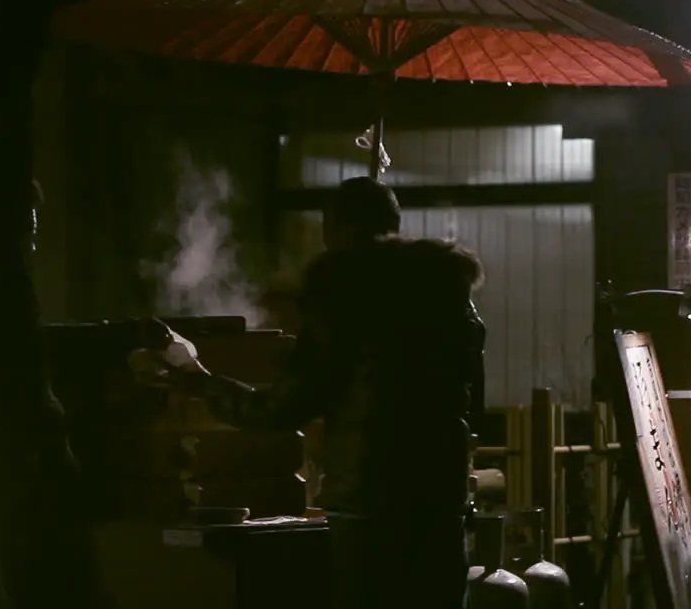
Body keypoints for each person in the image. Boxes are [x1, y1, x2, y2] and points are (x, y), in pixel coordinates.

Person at [156, 177, 486, 609]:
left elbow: (283, 408)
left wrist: (202, 384)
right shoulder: (448, 293)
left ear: (334, 227)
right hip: (440, 502)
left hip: (370, 506)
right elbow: (470, 402)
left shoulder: (345, 288)